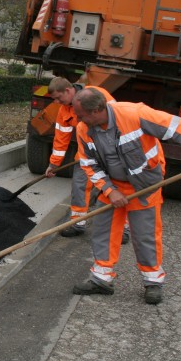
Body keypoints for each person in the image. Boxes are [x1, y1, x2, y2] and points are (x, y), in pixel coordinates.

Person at [71, 88, 181, 304]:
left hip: (143, 187)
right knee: (103, 232)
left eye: (81, 115)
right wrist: (110, 191)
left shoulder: (134, 114)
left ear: (97, 110)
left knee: (145, 235)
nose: (79, 119)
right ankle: (102, 279)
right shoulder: (84, 129)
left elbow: (177, 127)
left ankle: (153, 282)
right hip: (112, 187)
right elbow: (88, 164)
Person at [43, 77, 128, 242]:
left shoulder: (96, 95)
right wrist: (53, 164)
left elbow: (118, 119)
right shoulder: (64, 111)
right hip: (86, 154)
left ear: (68, 90)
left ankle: (122, 228)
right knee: (79, 186)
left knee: (117, 189)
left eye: (59, 98)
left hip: (111, 151)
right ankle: (77, 222)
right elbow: (61, 139)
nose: (58, 102)